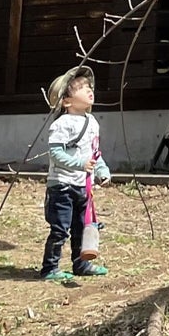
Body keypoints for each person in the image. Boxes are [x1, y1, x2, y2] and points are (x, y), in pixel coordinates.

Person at [42, 66, 111, 282]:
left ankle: (81, 264)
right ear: (66, 101)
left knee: (82, 226)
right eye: (81, 88)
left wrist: (101, 169)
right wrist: (79, 164)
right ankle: (50, 268)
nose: (89, 90)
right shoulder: (61, 124)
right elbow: (55, 154)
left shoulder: (92, 122)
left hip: (83, 185)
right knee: (60, 229)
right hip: (61, 185)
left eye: (89, 86)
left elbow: (94, 152)